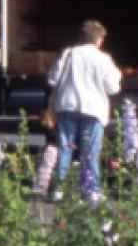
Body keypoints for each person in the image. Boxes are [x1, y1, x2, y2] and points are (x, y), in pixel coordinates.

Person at [48, 19, 121, 188]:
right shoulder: (103, 58)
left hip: (67, 106)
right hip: (93, 109)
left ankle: (59, 188)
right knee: (90, 153)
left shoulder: (68, 53)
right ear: (98, 39)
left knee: (65, 148)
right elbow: (113, 89)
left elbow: (52, 79)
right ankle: (90, 189)